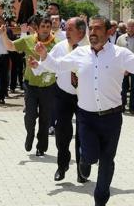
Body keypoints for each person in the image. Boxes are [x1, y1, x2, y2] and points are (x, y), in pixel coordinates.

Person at [35, 15, 134, 206]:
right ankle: (84, 161)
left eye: (97, 29)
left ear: (109, 32)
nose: (93, 33)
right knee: (90, 156)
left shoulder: (120, 54)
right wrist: (44, 55)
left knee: (107, 160)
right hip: (86, 117)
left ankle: (100, 201)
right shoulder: (80, 54)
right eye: (91, 29)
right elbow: (58, 65)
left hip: (112, 117)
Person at [32, 17, 91, 183]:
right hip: (63, 94)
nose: (66, 32)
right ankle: (62, 164)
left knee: (83, 133)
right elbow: (51, 63)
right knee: (62, 132)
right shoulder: (60, 46)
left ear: (81, 31)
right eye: (66, 28)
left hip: (84, 96)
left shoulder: (91, 48)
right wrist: (37, 66)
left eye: (70, 29)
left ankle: (82, 168)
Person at [0, 15, 57, 156]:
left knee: (45, 118)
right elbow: (10, 46)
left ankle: (41, 146)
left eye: (48, 27)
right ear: (37, 28)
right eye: (42, 26)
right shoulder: (28, 40)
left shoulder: (56, 44)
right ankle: (30, 134)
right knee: (30, 115)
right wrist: (3, 35)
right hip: (30, 84)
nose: (45, 29)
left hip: (49, 86)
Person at [116, 19, 134, 115]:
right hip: (124, 67)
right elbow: (117, 53)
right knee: (123, 88)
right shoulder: (120, 39)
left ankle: (132, 108)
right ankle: (122, 106)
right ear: (126, 28)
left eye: (132, 26)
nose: (130, 28)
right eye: (129, 26)